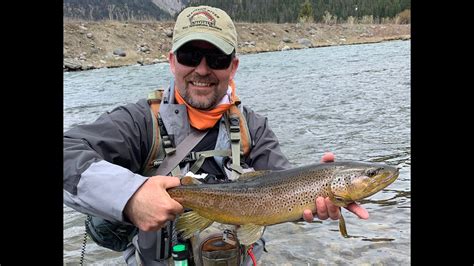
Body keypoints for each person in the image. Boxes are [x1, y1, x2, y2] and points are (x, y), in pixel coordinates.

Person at [63, 5, 368, 265]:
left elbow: (284, 188)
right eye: (190, 55)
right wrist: (131, 196)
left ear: (232, 67)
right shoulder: (138, 123)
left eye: (217, 59)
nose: (203, 69)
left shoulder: (254, 127)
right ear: (172, 62)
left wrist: (316, 194)